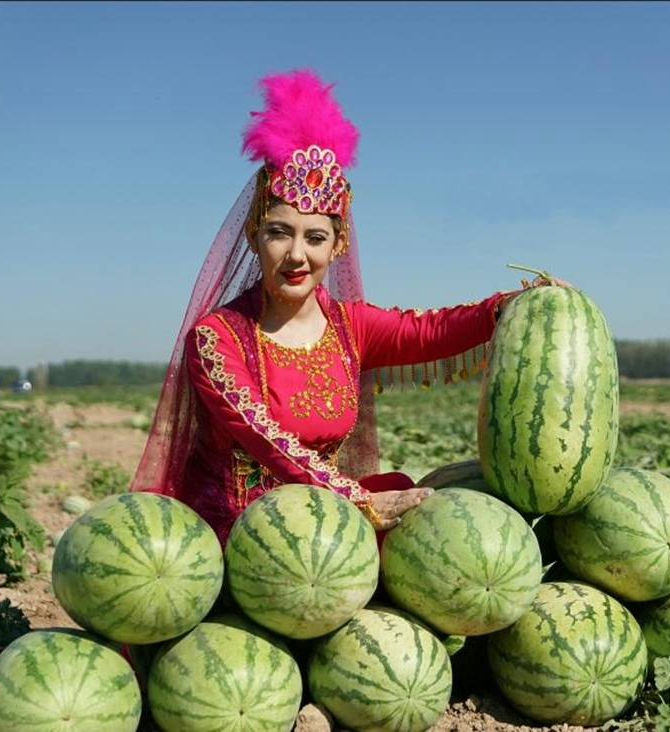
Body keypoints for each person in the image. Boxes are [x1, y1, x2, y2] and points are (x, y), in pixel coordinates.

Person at [130, 70, 563, 544]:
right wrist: (357, 500)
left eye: (315, 237)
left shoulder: (349, 327)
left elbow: (431, 331)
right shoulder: (217, 338)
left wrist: (515, 305)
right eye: (280, 233)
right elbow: (266, 439)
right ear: (255, 237)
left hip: (327, 520)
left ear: (337, 245)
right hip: (245, 533)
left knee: (418, 506)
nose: (297, 255)